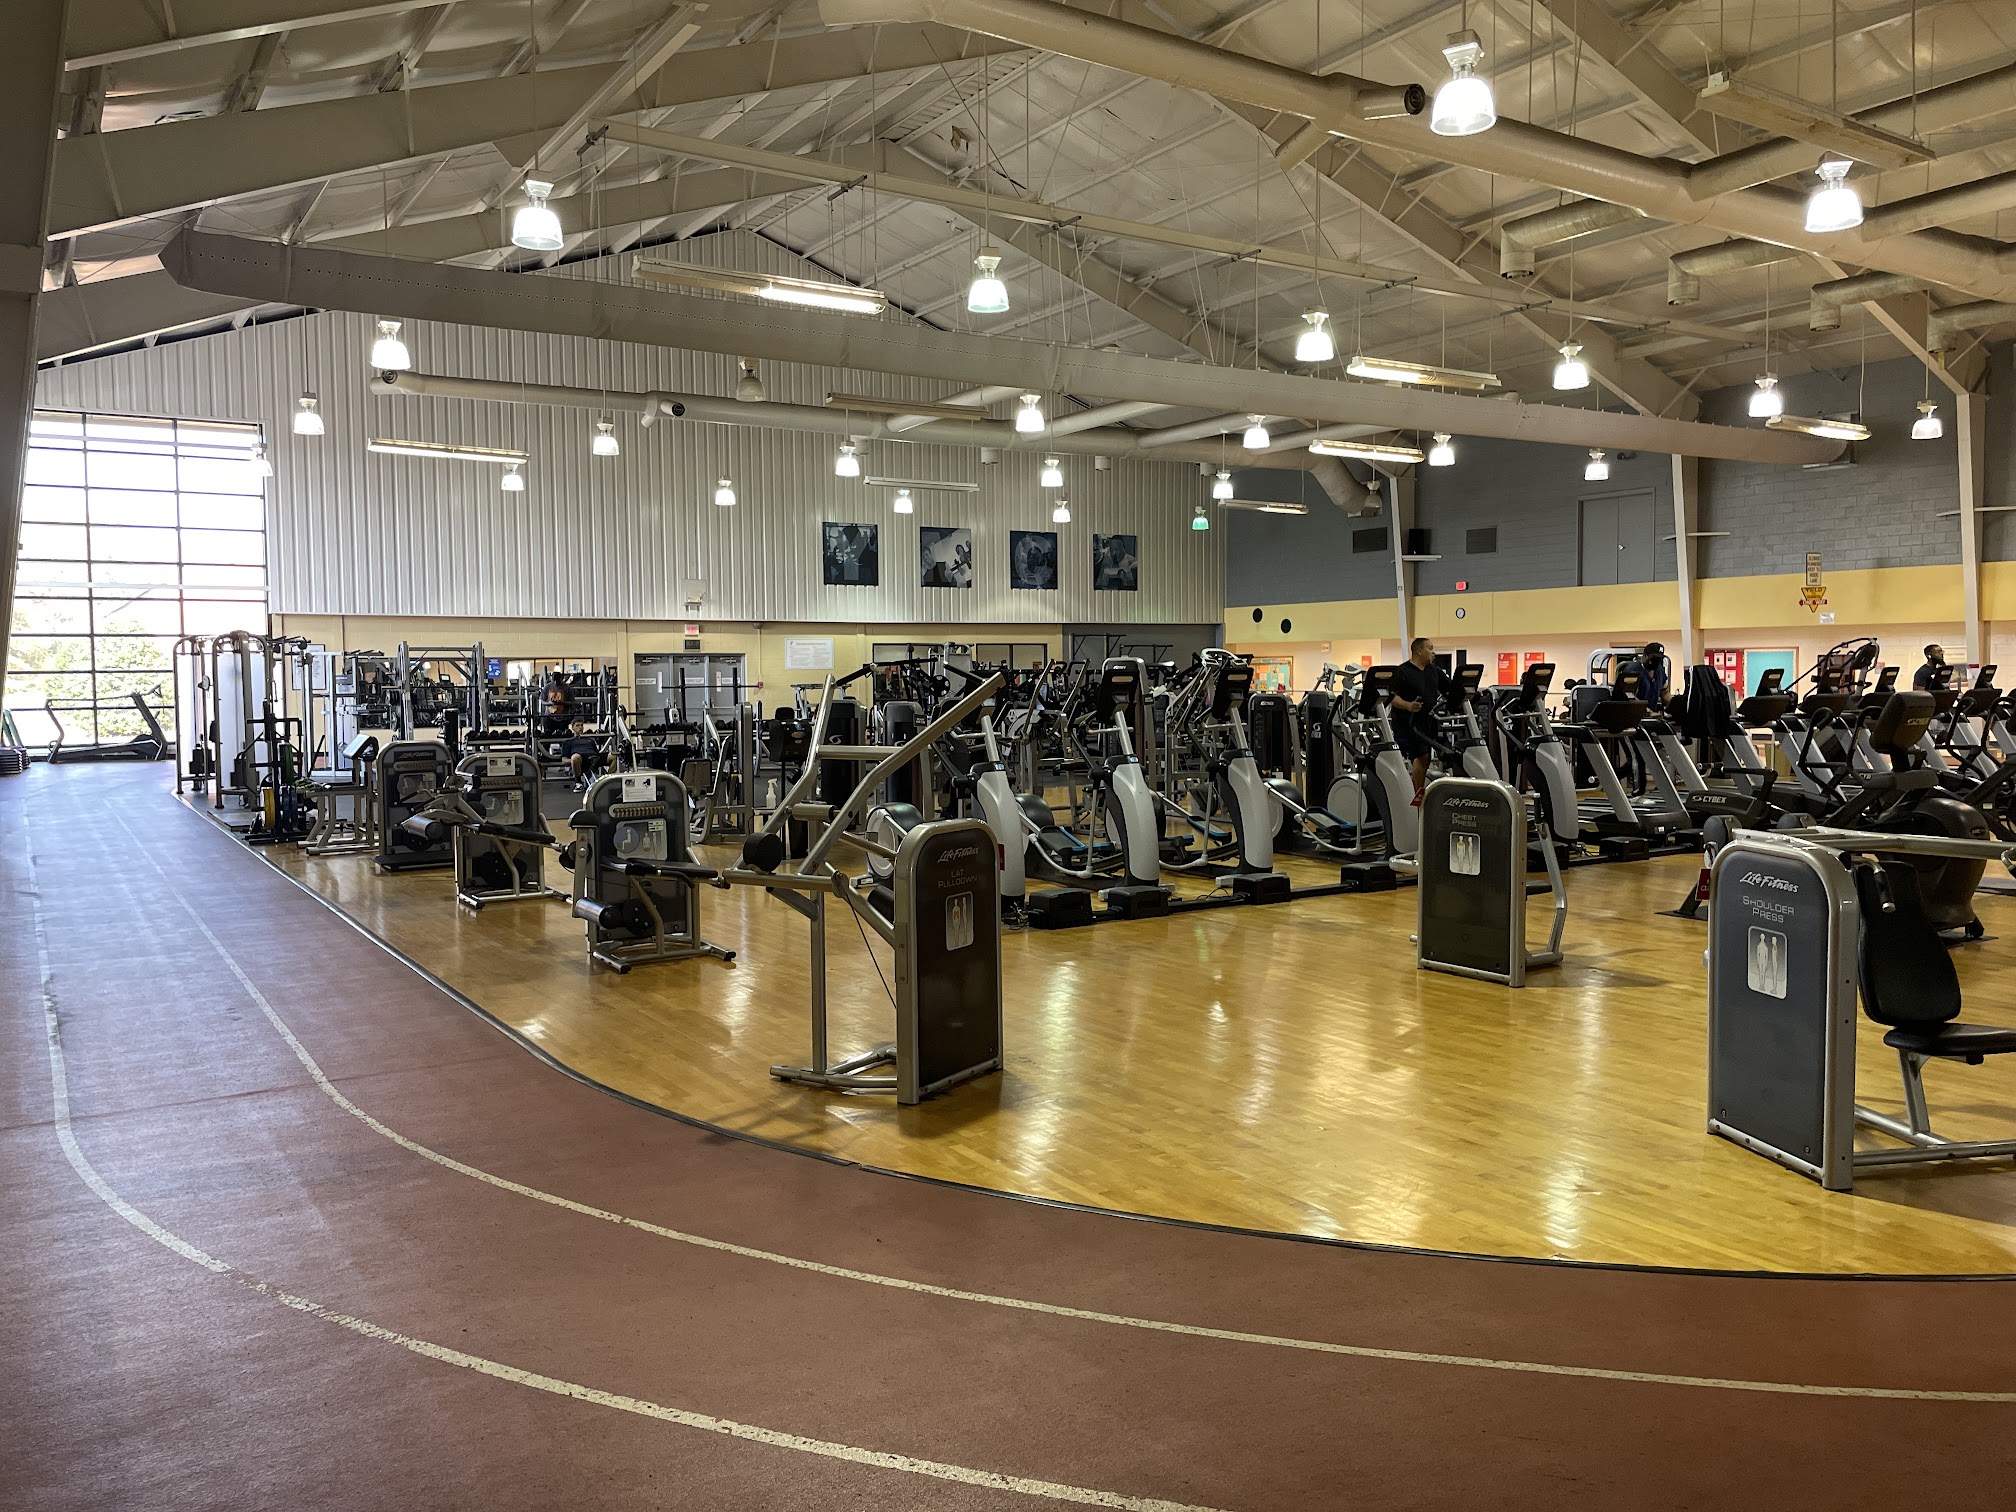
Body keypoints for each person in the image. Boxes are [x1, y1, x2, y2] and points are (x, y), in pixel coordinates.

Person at [1389, 636, 1448, 804]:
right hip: (1407, 724)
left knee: (1426, 758)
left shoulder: (1434, 671)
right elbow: (1391, 696)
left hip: (1427, 723)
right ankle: (1417, 797)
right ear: (1419, 651)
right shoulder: (1402, 671)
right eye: (1430, 649)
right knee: (1421, 756)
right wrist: (1407, 705)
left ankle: (1418, 795)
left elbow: (1450, 689)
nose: (1433, 653)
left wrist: (1470, 693)